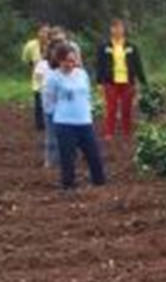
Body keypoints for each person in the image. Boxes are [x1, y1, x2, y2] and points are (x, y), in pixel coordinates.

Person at [45, 44, 106, 190]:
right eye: (67, 61)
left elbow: (87, 95)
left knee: (94, 154)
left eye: (73, 60)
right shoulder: (53, 77)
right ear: (59, 60)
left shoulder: (82, 74)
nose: (70, 64)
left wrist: (87, 110)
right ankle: (68, 185)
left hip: (84, 121)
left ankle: (99, 182)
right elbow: (48, 101)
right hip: (64, 123)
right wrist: (58, 114)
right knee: (68, 157)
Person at [94, 18, 147, 141]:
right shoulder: (104, 47)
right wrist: (99, 82)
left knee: (127, 108)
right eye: (115, 27)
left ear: (124, 30)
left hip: (127, 81)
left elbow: (138, 64)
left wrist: (143, 81)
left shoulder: (131, 47)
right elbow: (99, 65)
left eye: (120, 27)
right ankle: (109, 132)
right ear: (111, 30)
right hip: (110, 82)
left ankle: (127, 132)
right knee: (111, 108)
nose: (117, 30)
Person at [36, 42, 59, 168]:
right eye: (53, 51)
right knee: (50, 135)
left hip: (63, 106)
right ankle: (49, 160)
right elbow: (40, 81)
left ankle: (63, 158)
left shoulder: (64, 66)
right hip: (49, 104)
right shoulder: (43, 65)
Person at [24, 23, 50, 131]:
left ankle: (49, 123)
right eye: (43, 31)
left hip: (50, 77)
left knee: (50, 101)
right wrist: (34, 67)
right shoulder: (31, 45)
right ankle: (40, 125)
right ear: (38, 32)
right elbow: (26, 59)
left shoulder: (51, 44)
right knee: (39, 101)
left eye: (47, 32)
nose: (45, 34)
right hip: (38, 77)